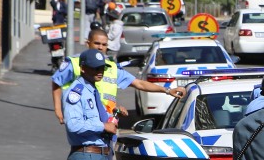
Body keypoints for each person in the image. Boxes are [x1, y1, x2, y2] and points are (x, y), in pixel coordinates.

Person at [50, 28, 185, 125]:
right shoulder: (74, 63)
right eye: (97, 43)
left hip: (109, 120)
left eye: (104, 44)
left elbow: (139, 83)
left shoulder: (111, 67)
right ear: (88, 43)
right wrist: (58, 110)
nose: (100, 47)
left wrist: (167, 90)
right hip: (85, 120)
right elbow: (57, 82)